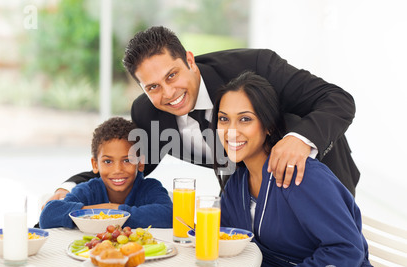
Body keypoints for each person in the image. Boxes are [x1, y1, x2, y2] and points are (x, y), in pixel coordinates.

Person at [47, 25, 359, 203]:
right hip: (245, 199)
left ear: (190, 61)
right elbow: (130, 166)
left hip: (321, 182)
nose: (168, 94)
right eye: (152, 86)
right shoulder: (149, 113)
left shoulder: (256, 67)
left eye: (172, 76)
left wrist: (299, 139)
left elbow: (337, 99)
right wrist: (70, 188)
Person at [213, 71, 385, 267]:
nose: (231, 131)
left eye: (245, 119)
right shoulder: (236, 186)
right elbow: (218, 238)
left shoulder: (302, 176)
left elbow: (346, 250)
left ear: (269, 126)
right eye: (224, 119)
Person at [39, 117, 172, 229]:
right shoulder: (88, 190)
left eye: (127, 160)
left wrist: (114, 210)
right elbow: (48, 215)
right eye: (108, 162)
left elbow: (169, 215)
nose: (118, 170)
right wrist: (107, 209)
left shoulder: (150, 188)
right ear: (95, 165)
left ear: (141, 162)